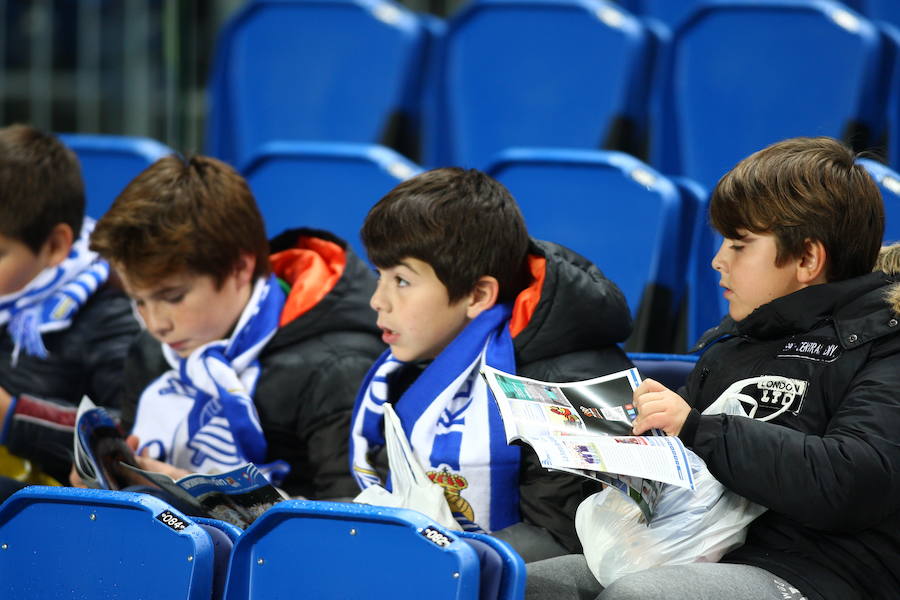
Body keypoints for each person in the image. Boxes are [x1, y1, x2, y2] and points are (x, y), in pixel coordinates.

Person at [526, 137, 900, 600]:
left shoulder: (887, 344)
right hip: (696, 552)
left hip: (822, 573)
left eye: (740, 245)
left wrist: (696, 428)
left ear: (807, 258)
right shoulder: (738, 340)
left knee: (642, 597)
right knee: (526, 585)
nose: (718, 260)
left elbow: (853, 480)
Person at [349, 167, 633, 561]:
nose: (377, 301)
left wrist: (414, 556)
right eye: (379, 275)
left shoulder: (576, 381)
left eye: (401, 281)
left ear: (478, 294)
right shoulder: (406, 365)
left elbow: (565, 543)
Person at [86, 154, 385, 500]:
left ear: (240, 268)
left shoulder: (337, 368)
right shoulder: (152, 351)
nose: (156, 324)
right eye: (139, 301)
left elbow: (352, 524)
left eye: (173, 297)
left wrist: (202, 499)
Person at [0, 124, 139, 485]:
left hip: (52, 509)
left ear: (55, 245)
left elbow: (133, 437)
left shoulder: (109, 313)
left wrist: (14, 417)